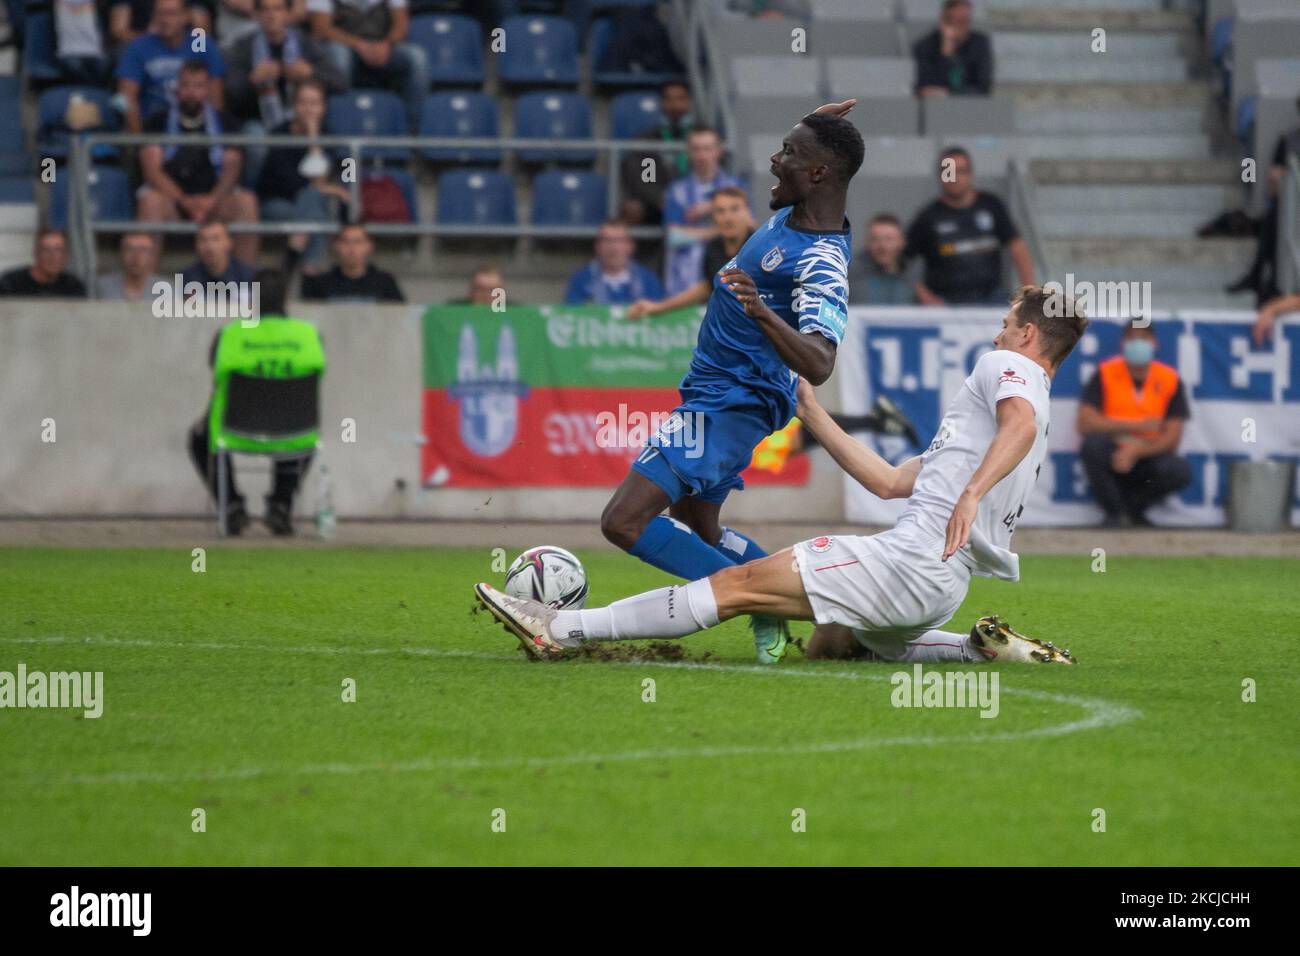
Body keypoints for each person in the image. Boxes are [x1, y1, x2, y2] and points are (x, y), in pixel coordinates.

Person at [475, 285, 1085, 666]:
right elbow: (889, 482)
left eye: (1008, 322)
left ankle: (560, 626)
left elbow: (1020, 424)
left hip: (912, 562)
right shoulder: (990, 432)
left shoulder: (1010, 371)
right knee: (833, 642)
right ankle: (975, 648)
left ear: (1028, 335)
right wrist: (813, 412)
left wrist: (972, 495)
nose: (998, 330)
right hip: (940, 589)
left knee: (739, 585)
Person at [596, 100, 863, 666]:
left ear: (817, 173)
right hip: (716, 390)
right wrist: (816, 122)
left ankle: (761, 602)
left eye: (788, 153)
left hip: (731, 403)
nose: (773, 160)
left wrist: (765, 316)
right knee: (699, 525)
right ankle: (771, 592)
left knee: (623, 521)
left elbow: (819, 362)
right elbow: (820, 159)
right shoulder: (796, 209)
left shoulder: (821, 261)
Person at [187, 269, 323, 536]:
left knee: (199, 436)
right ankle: (281, 505)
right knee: (293, 416)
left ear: (252, 300)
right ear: (286, 299)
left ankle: (231, 506)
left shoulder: (230, 335)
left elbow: (217, 379)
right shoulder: (309, 335)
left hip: (235, 431)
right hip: (295, 433)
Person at [136, 59, 261, 265]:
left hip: (216, 201)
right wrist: (183, 199)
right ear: (177, 88)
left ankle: (244, 285)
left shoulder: (225, 121)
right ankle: (148, 284)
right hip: (173, 201)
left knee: (246, 202)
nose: (191, 92)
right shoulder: (157, 121)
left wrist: (212, 200)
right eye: (186, 85)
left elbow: (232, 168)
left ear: (208, 89)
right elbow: (153, 171)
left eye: (198, 86)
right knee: (150, 202)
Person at [1077, 321, 1192, 528]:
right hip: (1113, 449)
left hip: (1148, 455)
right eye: (1132, 338)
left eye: (1144, 338)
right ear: (1123, 343)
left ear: (1154, 343)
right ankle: (1115, 513)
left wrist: (1137, 451)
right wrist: (1137, 426)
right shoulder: (1106, 372)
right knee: (1092, 446)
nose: (1138, 343)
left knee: (1179, 470)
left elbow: (1172, 438)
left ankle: (1132, 510)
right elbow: (1086, 423)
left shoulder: (1169, 379)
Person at [905, 146, 1033, 305]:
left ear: (970, 174)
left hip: (991, 298)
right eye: (949, 172)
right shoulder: (928, 217)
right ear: (941, 176)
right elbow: (903, 261)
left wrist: (1028, 294)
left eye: (961, 171)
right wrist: (925, 296)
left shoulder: (991, 205)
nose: (955, 177)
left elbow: (1017, 246)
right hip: (946, 304)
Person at [256, 79, 350, 273]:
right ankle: (311, 270)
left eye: (314, 103)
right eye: (303, 102)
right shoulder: (279, 135)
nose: (308, 109)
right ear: (294, 105)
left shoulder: (329, 137)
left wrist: (313, 139)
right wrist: (322, 186)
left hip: (310, 204)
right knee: (315, 209)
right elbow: (285, 182)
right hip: (277, 203)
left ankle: (295, 252)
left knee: (313, 200)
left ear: (323, 108)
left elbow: (344, 173)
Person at [627, 186, 753, 320]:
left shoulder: (760, 247)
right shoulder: (713, 248)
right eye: (720, 211)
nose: (728, 218)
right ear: (714, 216)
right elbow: (708, 287)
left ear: (748, 213)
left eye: (735, 209)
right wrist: (658, 307)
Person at [223, 0, 346, 129]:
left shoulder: (304, 43)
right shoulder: (244, 47)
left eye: (277, 9)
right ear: (256, 14)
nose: (271, 15)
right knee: (254, 133)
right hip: (257, 119)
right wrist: (252, 81)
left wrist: (311, 73)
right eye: (265, 9)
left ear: (288, 13)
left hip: (299, 123)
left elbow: (340, 83)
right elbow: (230, 95)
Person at [307, 0, 429, 129]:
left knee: (417, 57)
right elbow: (321, 29)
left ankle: (413, 131)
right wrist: (359, 44)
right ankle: (337, 125)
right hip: (346, 46)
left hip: (382, 45)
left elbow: (401, 25)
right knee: (339, 55)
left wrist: (386, 44)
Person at [116, 0, 227, 133]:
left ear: (186, 16)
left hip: (198, 124)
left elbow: (216, 95)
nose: (165, 20)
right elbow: (127, 97)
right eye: (160, 13)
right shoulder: (139, 46)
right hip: (153, 127)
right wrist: (140, 142)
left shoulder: (200, 42)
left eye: (171, 13)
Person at [661, 127, 746, 297]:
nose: (702, 155)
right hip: (685, 279)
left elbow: (748, 227)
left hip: (726, 274)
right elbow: (674, 237)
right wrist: (721, 228)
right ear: (688, 153)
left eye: (707, 149)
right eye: (696, 149)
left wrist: (712, 207)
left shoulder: (736, 187)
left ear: (718, 151)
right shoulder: (676, 190)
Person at [619, 79, 694, 226]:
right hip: (658, 202)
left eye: (680, 98)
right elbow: (647, 178)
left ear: (689, 102)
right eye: (669, 99)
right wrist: (662, 199)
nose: (675, 105)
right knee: (633, 208)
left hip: (695, 198)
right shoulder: (648, 138)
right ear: (662, 103)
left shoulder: (702, 137)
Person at [563, 220, 664, 306]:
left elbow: (660, 317)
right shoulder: (581, 280)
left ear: (630, 246)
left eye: (619, 241)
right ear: (598, 247)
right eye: (607, 241)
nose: (613, 248)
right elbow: (572, 316)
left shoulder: (648, 280)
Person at [300, 223, 406, 302]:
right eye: (345, 242)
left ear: (369, 245)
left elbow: (399, 317)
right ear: (336, 245)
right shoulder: (321, 283)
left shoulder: (385, 282)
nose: (351, 248)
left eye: (358, 242)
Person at [913, 0, 993, 97]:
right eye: (955, 21)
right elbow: (926, 89)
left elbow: (983, 88)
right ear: (943, 21)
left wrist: (949, 94)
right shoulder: (925, 46)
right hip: (935, 108)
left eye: (965, 21)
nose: (960, 27)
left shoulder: (980, 44)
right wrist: (946, 50)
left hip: (971, 106)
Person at [848, 213, 917, 305]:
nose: (882, 246)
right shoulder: (849, 276)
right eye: (876, 239)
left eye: (889, 239)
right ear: (867, 243)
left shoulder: (915, 275)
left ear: (902, 242)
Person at [0, 230, 87, 297]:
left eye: (59, 250)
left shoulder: (73, 286)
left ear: (66, 255)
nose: (53, 256)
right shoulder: (11, 283)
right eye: (46, 250)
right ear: (36, 253)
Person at [182, 220, 258, 286]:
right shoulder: (186, 279)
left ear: (229, 242)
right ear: (196, 245)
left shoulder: (250, 277)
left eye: (216, 239)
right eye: (203, 240)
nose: (209, 246)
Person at [97, 232, 164, 301]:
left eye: (143, 250)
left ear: (152, 255)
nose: (136, 257)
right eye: (130, 249)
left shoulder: (164, 289)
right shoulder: (102, 287)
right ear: (121, 253)